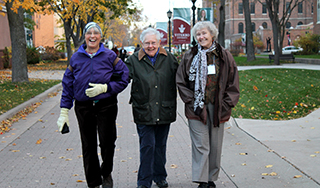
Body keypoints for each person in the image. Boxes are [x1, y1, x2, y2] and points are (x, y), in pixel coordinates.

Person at [57, 22, 129, 188]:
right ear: (85, 36)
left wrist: (106, 88)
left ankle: (106, 172)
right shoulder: (76, 58)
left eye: (96, 32)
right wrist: (63, 112)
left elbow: (125, 77)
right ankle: (94, 182)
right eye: (89, 32)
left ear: (100, 37)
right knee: (88, 145)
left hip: (106, 105)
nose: (92, 36)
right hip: (84, 107)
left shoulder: (110, 56)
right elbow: (67, 84)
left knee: (107, 142)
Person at [176, 21, 240, 188]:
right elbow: (181, 81)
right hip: (196, 108)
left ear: (212, 35)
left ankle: (211, 178)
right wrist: (192, 102)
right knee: (201, 144)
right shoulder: (189, 56)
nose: (201, 37)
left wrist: (227, 104)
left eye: (204, 33)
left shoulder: (224, 56)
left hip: (218, 107)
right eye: (198, 34)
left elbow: (233, 82)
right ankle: (202, 180)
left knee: (215, 145)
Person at [125, 28, 178, 188]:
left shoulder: (169, 59)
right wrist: (105, 88)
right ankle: (144, 181)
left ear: (159, 43)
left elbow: (183, 78)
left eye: (153, 42)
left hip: (164, 109)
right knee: (147, 146)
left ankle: (160, 176)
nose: (150, 46)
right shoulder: (134, 60)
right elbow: (122, 78)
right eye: (147, 43)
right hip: (144, 110)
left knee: (160, 146)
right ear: (142, 43)